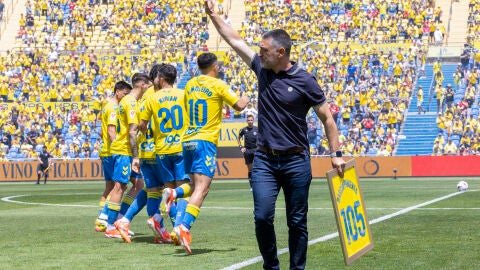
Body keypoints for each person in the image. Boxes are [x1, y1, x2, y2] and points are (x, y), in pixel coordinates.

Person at [205, 1, 346, 269]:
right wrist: (213, 16)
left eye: (264, 50)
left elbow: (327, 118)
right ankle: (271, 267)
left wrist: (336, 155)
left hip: (296, 161)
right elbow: (235, 41)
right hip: (265, 161)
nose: (259, 54)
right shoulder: (262, 69)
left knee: (297, 222)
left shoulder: (306, 81)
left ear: (281, 52)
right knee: (262, 217)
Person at [166, 52, 249, 254]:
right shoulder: (218, 84)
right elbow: (238, 106)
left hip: (188, 140)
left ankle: (173, 193)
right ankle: (183, 227)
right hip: (205, 141)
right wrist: (246, 97)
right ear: (215, 67)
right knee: (202, 190)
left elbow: (186, 107)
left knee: (195, 186)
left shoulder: (190, 85)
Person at [104, 73, 151, 241]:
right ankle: (110, 226)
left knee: (135, 184)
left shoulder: (126, 101)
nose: (149, 88)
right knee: (119, 187)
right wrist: (136, 156)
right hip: (123, 150)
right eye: (148, 85)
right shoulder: (130, 102)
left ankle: (117, 220)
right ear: (142, 85)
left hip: (122, 150)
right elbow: (132, 131)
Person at [94, 81, 132, 233]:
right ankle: (104, 220)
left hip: (106, 150)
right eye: (124, 93)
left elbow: (101, 132)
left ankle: (101, 219)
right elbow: (110, 131)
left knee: (110, 187)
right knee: (117, 186)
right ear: (117, 92)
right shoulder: (114, 107)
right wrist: (117, 146)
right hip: (112, 151)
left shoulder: (107, 106)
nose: (125, 96)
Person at [237, 114, 258, 187]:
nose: (250, 121)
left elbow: (262, 139)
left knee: (257, 168)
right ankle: (251, 186)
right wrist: (241, 147)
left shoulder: (257, 129)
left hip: (256, 150)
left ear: (253, 120)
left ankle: (258, 185)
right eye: (248, 120)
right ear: (246, 121)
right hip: (247, 151)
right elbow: (238, 138)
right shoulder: (243, 130)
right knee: (250, 169)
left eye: (251, 120)